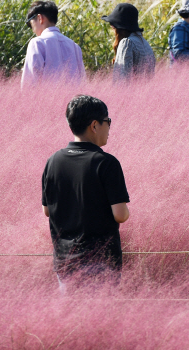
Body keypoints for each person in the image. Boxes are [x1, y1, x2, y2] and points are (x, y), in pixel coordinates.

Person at [41, 95, 130, 292]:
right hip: (100, 263)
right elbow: (120, 215)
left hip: (64, 262)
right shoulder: (106, 163)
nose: (109, 127)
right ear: (94, 125)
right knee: (100, 321)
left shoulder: (53, 161)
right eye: (108, 121)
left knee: (72, 321)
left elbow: (47, 210)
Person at [21, 1, 86, 89]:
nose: (32, 29)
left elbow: (29, 84)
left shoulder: (37, 43)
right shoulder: (75, 46)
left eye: (30, 24)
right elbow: (82, 82)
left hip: (47, 101)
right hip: (73, 101)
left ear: (40, 18)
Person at [101, 3, 155, 82]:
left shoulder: (127, 43)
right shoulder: (145, 44)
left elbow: (121, 81)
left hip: (132, 93)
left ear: (116, 27)